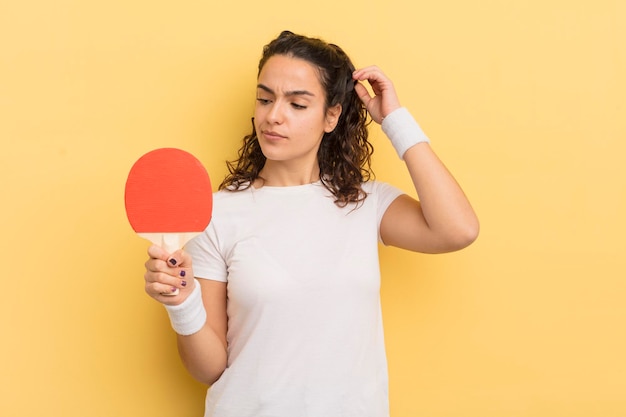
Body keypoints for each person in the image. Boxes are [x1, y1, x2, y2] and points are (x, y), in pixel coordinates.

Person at [143, 30, 479, 417]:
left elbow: (458, 229)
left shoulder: (366, 204)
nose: (273, 116)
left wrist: (395, 122)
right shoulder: (217, 214)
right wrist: (182, 304)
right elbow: (209, 368)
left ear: (331, 116)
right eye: (265, 98)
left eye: (297, 104)